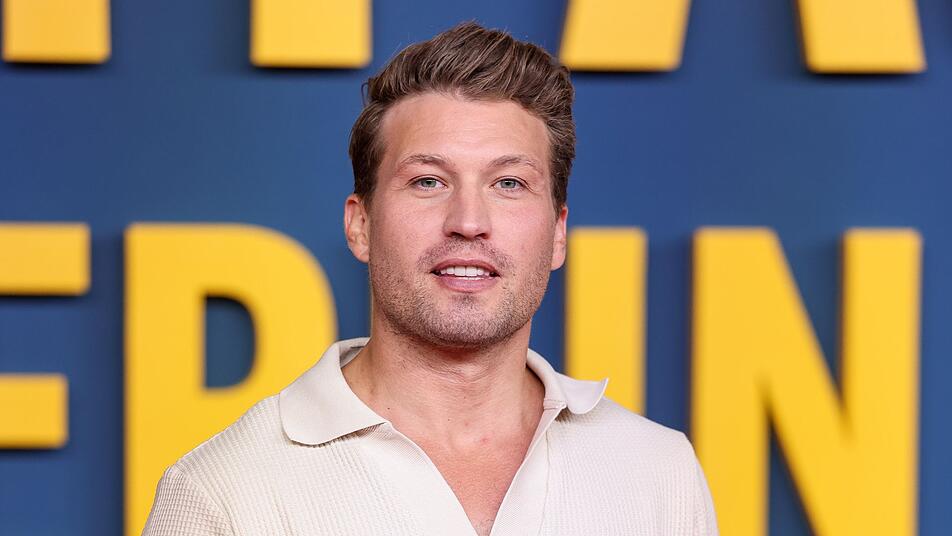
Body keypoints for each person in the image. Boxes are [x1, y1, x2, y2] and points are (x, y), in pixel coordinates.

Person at [143, 22, 718, 536]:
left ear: (558, 232)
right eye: (427, 181)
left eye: (509, 183)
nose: (468, 221)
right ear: (361, 225)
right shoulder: (223, 493)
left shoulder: (658, 472)